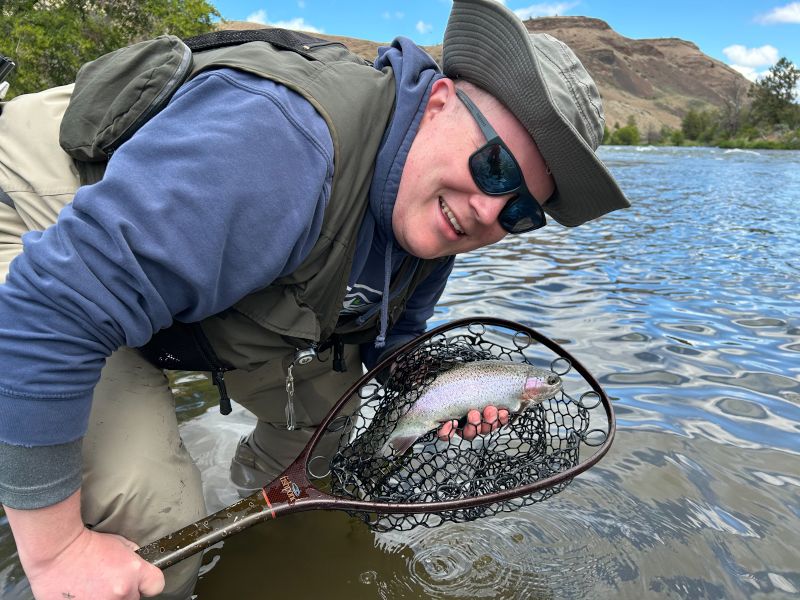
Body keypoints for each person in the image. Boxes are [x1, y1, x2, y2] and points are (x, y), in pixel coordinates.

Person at [0, 0, 629, 598]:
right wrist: (56, 550)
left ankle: (260, 539)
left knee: (326, 421)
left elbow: (392, 333)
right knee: (154, 511)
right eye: (495, 166)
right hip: (40, 223)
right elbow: (48, 313)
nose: (490, 209)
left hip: (166, 273)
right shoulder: (282, 143)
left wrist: (446, 386)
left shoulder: (435, 218)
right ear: (439, 101)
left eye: (520, 210)